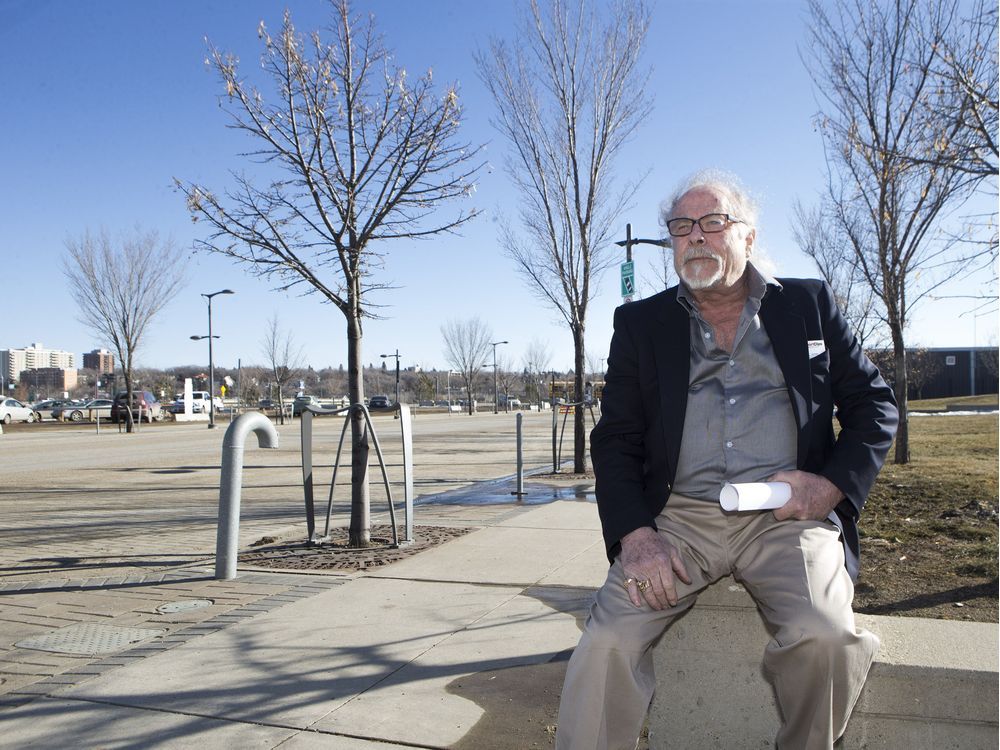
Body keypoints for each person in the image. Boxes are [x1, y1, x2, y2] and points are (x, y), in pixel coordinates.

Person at [555, 170, 898, 750]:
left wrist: (830, 487)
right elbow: (615, 439)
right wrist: (636, 535)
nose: (696, 236)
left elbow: (875, 405)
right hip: (679, 521)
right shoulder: (640, 324)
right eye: (681, 226)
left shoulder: (808, 306)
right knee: (607, 643)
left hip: (784, 517)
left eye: (713, 222)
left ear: (749, 236)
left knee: (825, 638)